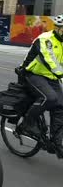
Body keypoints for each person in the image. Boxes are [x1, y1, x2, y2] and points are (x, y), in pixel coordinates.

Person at [16, 14, 63, 156]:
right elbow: (51, 61)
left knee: (61, 106)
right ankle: (27, 124)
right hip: (33, 74)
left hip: (51, 77)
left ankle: (55, 141)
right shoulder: (45, 39)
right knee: (49, 98)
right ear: (58, 29)